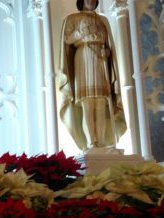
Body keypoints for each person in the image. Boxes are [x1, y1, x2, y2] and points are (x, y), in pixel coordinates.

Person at [58, 0, 126, 152]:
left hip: (100, 61)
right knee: (87, 104)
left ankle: (101, 143)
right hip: (83, 57)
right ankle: (90, 143)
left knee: (101, 104)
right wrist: (82, 32)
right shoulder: (72, 18)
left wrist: (107, 53)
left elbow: (108, 44)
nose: (91, 1)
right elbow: (67, 40)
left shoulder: (103, 20)